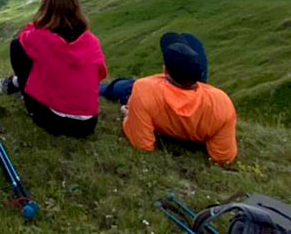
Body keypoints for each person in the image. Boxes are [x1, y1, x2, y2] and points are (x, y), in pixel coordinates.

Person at [99, 32, 238, 166]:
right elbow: (223, 158)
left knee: (116, 87)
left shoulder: (144, 89)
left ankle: (97, 86)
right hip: (194, 96)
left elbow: (143, 145)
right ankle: (185, 70)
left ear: (165, 70)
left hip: (149, 92)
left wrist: (129, 116)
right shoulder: (221, 102)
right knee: (189, 38)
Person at [0, 0, 108, 137]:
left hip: (53, 120)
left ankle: (21, 86)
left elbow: (23, 37)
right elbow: (100, 74)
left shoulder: (40, 37)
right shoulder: (91, 41)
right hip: (87, 124)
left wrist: (39, 24)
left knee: (17, 47)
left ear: (46, 8)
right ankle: (17, 84)